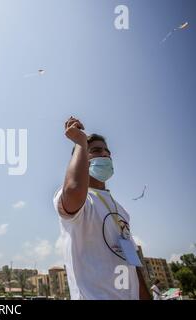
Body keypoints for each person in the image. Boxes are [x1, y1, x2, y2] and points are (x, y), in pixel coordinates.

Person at [53, 116, 150, 300]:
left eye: (107, 152)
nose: (105, 155)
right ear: (81, 158)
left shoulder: (121, 211)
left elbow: (132, 263)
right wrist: (80, 142)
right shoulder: (80, 200)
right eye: (96, 150)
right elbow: (73, 189)